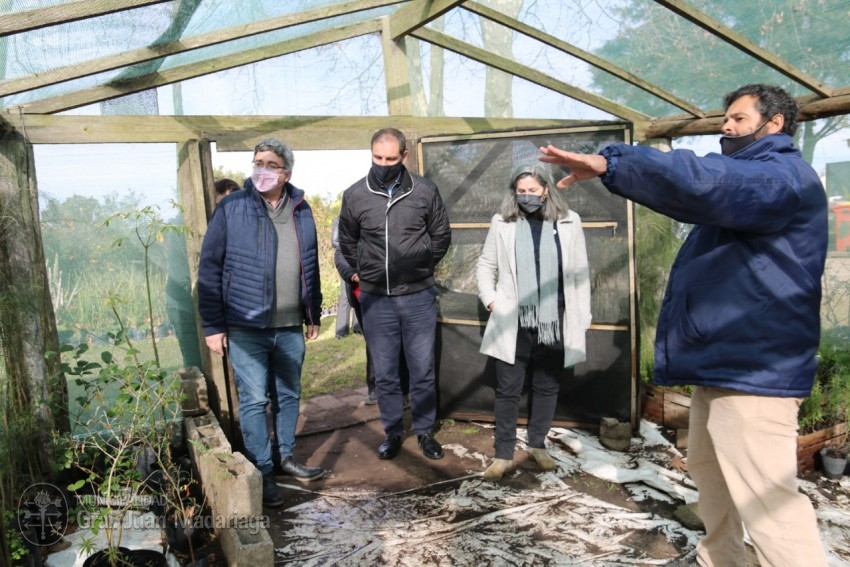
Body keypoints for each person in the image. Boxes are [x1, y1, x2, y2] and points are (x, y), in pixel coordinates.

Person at [539, 84, 829, 567]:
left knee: (767, 503)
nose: (726, 127)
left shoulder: (779, 178)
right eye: (726, 118)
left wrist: (616, 164)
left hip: (756, 371)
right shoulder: (755, 184)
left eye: (737, 119)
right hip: (725, 365)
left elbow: (709, 180)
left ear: (773, 124)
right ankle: (721, 558)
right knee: (710, 474)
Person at [197, 138, 324, 508]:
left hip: (289, 326)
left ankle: (285, 458)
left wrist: (312, 312)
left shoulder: (301, 208)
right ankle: (263, 471)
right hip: (245, 325)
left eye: (270, 164)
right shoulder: (233, 208)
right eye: (257, 163)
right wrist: (213, 326)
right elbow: (210, 268)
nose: (262, 170)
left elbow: (310, 263)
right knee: (254, 399)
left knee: (288, 394)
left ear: (286, 172)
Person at [337, 128, 451, 461]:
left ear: (404, 156)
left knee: (422, 369)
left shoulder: (424, 191)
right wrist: (369, 272)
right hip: (376, 299)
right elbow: (347, 241)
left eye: (390, 158)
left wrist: (420, 266)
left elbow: (441, 235)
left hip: (418, 296)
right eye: (377, 158)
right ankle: (393, 432)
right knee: (385, 372)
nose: (383, 164)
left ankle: (426, 430)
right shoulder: (355, 194)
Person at [476, 163, 591, 481]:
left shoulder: (569, 221)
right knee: (508, 388)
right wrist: (491, 299)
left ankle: (538, 444)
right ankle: (503, 454)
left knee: (546, 384)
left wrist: (583, 318)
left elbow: (580, 272)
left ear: (547, 189)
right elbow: (486, 263)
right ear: (515, 192)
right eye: (521, 191)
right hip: (513, 318)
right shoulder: (503, 221)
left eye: (533, 191)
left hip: (555, 318)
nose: (527, 196)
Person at [164, 178, 241, 370]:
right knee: (195, 362)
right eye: (224, 202)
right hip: (184, 304)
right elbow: (196, 274)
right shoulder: (187, 225)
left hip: (211, 304)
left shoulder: (226, 223)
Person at [333, 215, 410, 406]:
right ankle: (375, 388)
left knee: (398, 342)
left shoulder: (383, 225)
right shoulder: (348, 229)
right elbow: (340, 255)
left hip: (390, 293)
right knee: (374, 344)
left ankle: (403, 390)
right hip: (363, 297)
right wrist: (353, 275)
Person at [331, 217, 360, 339]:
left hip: (357, 258)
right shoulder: (339, 220)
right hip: (344, 258)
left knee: (358, 293)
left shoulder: (357, 219)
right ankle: (341, 331)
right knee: (345, 295)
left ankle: (358, 327)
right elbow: (335, 241)